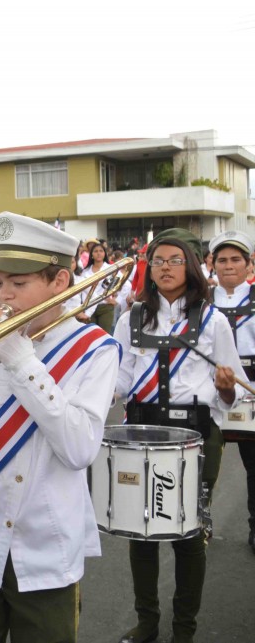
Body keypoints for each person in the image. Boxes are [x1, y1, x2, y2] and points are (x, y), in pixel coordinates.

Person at [0, 213, 120, 643]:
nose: (4, 296)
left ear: (60, 281)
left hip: (44, 549)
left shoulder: (95, 351)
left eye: (19, 283)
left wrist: (23, 363)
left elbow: (80, 449)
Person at [114, 228, 243, 643]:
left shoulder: (213, 319)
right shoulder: (130, 317)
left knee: (188, 534)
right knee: (141, 530)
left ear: (189, 266)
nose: (165, 267)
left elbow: (233, 387)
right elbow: (118, 380)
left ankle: (184, 628)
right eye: (157, 261)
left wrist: (226, 385)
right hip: (140, 428)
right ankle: (147, 622)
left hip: (195, 431)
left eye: (173, 260)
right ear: (148, 269)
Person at [209, 231, 255, 554]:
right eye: (222, 259)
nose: (228, 265)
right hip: (211, 386)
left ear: (249, 264)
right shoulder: (200, 303)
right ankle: (201, 521)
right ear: (212, 264)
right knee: (205, 460)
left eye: (236, 259)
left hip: (251, 385)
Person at [74, 240, 117, 333]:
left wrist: (115, 298)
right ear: (91, 254)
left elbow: (121, 284)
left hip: (105, 307)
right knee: (90, 336)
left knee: (104, 335)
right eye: (96, 251)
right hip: (89, 307)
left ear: (105, 254)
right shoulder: (85, 271)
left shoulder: (111, 269)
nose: (98, 253)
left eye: (101, 251)